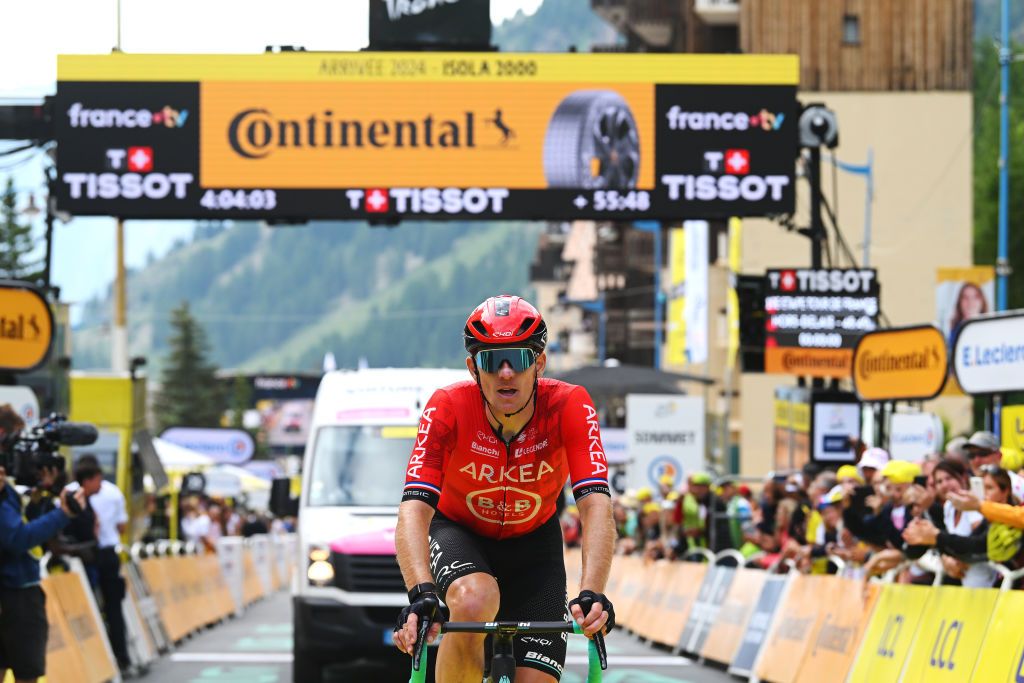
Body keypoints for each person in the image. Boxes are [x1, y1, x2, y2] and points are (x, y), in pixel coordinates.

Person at [393, 295, 615, 683]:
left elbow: (596, 504)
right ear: (473, 368)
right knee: (474, 597)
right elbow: (413, 509)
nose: (507, 373)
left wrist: (592, 591)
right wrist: (421, 592)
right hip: (460, 532)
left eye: (520, 358)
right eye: (492, 360)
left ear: (540, 364)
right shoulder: (447, 406)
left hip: (535, 545)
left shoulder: (570, 405)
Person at [0, 405, 87, 683]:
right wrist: (63, 514)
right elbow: (17, 539)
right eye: (18, 440)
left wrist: (38, 498)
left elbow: (21, 530)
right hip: (15, 594)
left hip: (16, 589)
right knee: (27, 673)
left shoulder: (8, 487)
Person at [68, 456, 131, 672]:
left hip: (92, 557)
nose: (101, 484)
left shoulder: (69, 493)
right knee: (109, 608)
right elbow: (122, 526)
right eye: (98, 479)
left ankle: (113, 659)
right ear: (88, 478)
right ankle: (117, 658)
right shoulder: (108, 492)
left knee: (101, 608)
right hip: (91, 557)